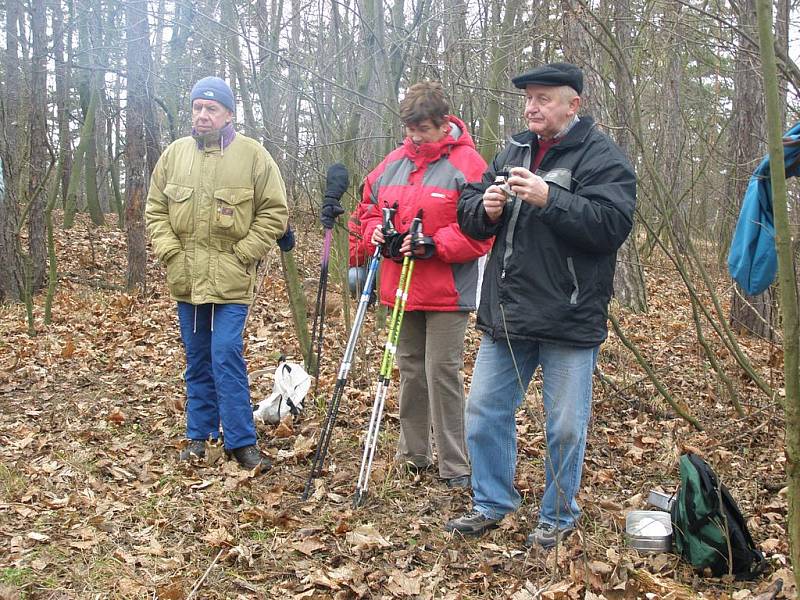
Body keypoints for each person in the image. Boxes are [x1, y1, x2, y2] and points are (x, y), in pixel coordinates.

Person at [445, 63, 636, 547]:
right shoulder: (514, 148)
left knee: (566, 426)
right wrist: (483, 208)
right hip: (508, 312)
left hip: (569, 315)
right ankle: (492, 502)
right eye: (529, 97)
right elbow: (470, 207)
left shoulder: (602, 157)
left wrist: (552, 198)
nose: (532, 106)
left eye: (544, 98)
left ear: (573, 104)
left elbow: (612, 226)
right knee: (485, 411)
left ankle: (557, 515)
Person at [146, 76, 288, 472]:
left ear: (229, 113)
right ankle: (201, 436)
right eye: (197, 108)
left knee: (225, 352)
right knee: (197, 358)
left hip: (232, 279)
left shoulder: (253, 156)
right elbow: (155, 210)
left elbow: (275, 212)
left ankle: (241, 441)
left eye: (211, 108)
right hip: (186, 278)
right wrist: (170, 253)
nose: (202, 115)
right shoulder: (174, 155)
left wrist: (246, 253)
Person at [361, 82, 493, 488]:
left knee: (442, 371)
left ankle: (455, 464)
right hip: (398, 285)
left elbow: (482, 232)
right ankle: (413, 453)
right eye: (410, 129)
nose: (416, 137)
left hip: (448, 290)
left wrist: (435, 245)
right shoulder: (393, 163)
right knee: (410, 369)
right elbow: (366, 210)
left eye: (424, 129)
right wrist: (375, 235)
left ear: (443, 123)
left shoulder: (469, 165)